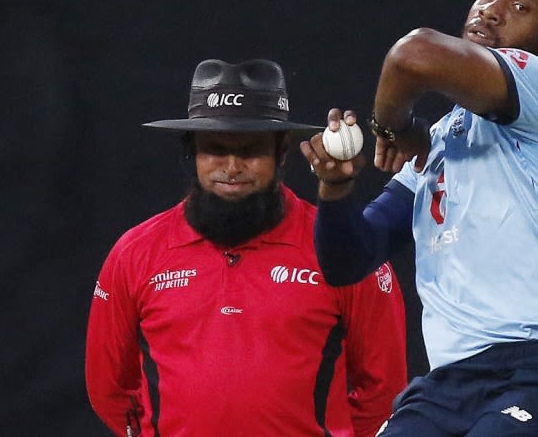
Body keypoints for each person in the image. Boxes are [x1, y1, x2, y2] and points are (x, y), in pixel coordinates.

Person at [300, 0, 538, 436]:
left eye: (521, 7)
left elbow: (415, 55)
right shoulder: (444, 137)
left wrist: (392, 125)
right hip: (451, 381)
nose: (492, 10)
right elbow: (349, 260)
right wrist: (336, 187)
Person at [85, 58, 407, 437]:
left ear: (281, 151)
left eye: (251, 150)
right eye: (215, 149)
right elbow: (110, 388)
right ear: (192, 151)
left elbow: (384, 389)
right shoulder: (135, 253)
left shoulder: (341, 248)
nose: (232, 166)